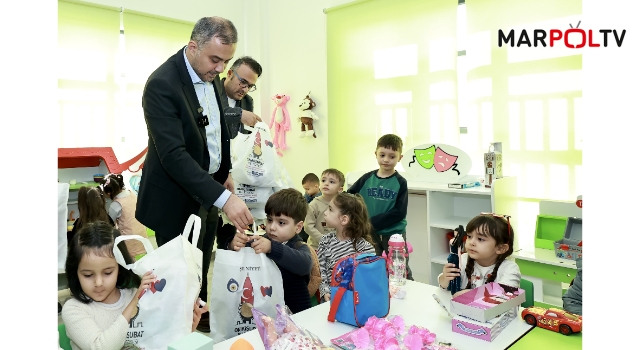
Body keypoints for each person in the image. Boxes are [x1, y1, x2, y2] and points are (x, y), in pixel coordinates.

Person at [136, 16, 253, 247]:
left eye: (227, 62)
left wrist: (224, 171)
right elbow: (173, 155)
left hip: (209, 195)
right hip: (175, 201)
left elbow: (215, 129)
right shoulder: (162, 84)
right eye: (215, 60)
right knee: (180, 279)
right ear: (193, 47)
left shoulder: (208, 72)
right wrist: (225, 200)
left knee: (201, 276)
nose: (221, 69)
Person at [61, 221, 208, 350]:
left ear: (119, 267)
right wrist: (135, 302)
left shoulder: (132, 294)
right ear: (76, 272)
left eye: (107, 273)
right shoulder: (74, 309)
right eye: (88, 275)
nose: (98, 283)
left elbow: (155, 339)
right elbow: (101, 347)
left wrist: (185, 326)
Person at [227, 189, 313, 314]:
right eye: (270, 220)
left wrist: (272, 248)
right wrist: (232, 244)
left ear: (298, 227)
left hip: (297, 314)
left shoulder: (299, 246)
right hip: (266, 311)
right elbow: (242, 253)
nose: (272, 227)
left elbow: (305, 265)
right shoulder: (263, 241)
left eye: (281, 222)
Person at [347, 134, 412, 280]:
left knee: (399, 269)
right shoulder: (367, 178)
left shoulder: (401, 182)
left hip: (394, 234)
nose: (386, 160)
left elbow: (399, 213)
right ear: (375, 154)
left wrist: (369, 223)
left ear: (400, 158)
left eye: (392, 156)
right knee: (371, 266)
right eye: (382, 155)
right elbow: (350, 196)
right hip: (370, 234)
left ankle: (408, 292)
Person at [438, 214, 521, 298]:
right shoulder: (463, 259)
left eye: (480, 239)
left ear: (500, 248)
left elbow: (505, 296)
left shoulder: (510, 269)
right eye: (469, 236)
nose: (471, 242)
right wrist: (445, 277)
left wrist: (473, 294)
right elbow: (444, 287)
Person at [318, 192, 376, 302]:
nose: (325, 213)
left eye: (330, 209)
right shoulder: (325, 241)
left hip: (356, 302)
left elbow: (367, 280)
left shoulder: (365, 248)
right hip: (330, 301)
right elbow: (322, 272)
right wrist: (325, 292)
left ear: (344, 219)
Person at [101, 174, 148, 261]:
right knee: (141, 263)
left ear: (108, 193)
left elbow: (109, 224)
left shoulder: (116, 205)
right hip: (141, 235)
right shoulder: (132, 194)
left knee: (129, 263)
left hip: (128, 240)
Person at [220, 56, 263, 139]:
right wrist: (238, 114)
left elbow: (248, 134)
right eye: (243, 82)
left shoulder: (248, 101)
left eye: (250, 86)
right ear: (229, 74)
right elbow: (211, 116)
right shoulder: (212, 91)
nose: (245, 90)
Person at [304, 169, 344, 250]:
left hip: (336, 248)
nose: (326, 183)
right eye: (323, 180)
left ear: (340, 189)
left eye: (331, 182)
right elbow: (308, 227)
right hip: (316, 248)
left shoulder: (342, 205)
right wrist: (323, 240)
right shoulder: (313, 204)